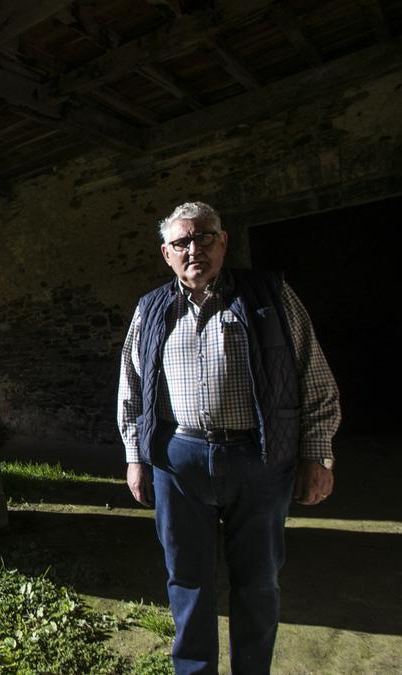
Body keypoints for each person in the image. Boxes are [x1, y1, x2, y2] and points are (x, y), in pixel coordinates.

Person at [116, 201, 341, 674]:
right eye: (182, 242)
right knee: (187, 580)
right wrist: (136, 457)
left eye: (204, 237)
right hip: (179, 461)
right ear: (166, 253)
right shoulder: (150, 309)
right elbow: (131, 389)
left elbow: (313, 376)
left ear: (223, 242)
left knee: (258, 581)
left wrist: (317, 454)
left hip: (259, 458)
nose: (193, 249)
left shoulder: (270, 294)